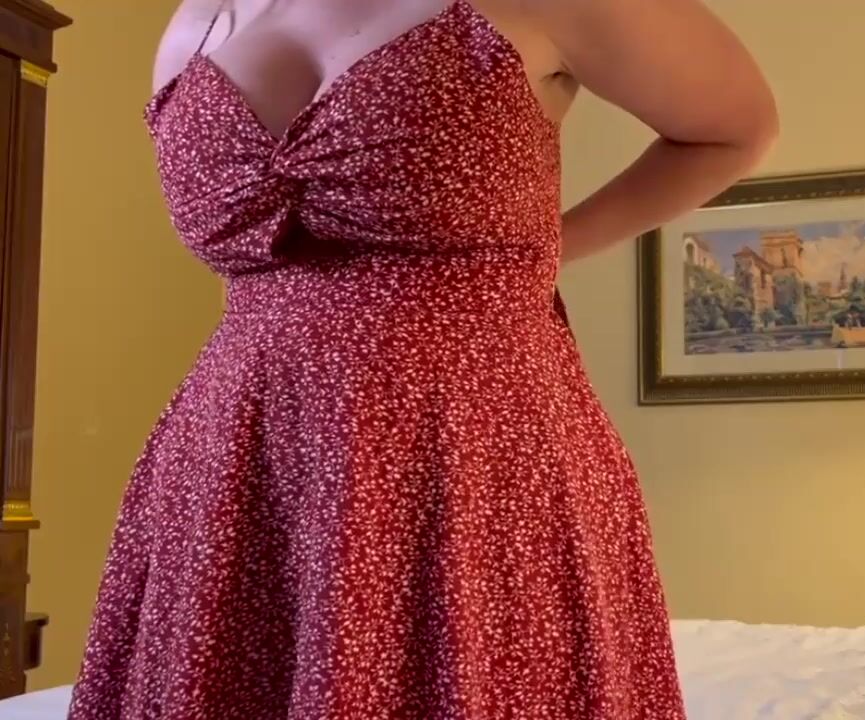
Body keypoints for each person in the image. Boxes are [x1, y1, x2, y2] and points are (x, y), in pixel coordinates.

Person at [68, 0, 777, 717]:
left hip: (474, 455)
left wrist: (542, 249)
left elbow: (734, 130)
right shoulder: (197, 19)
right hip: (242, 462)